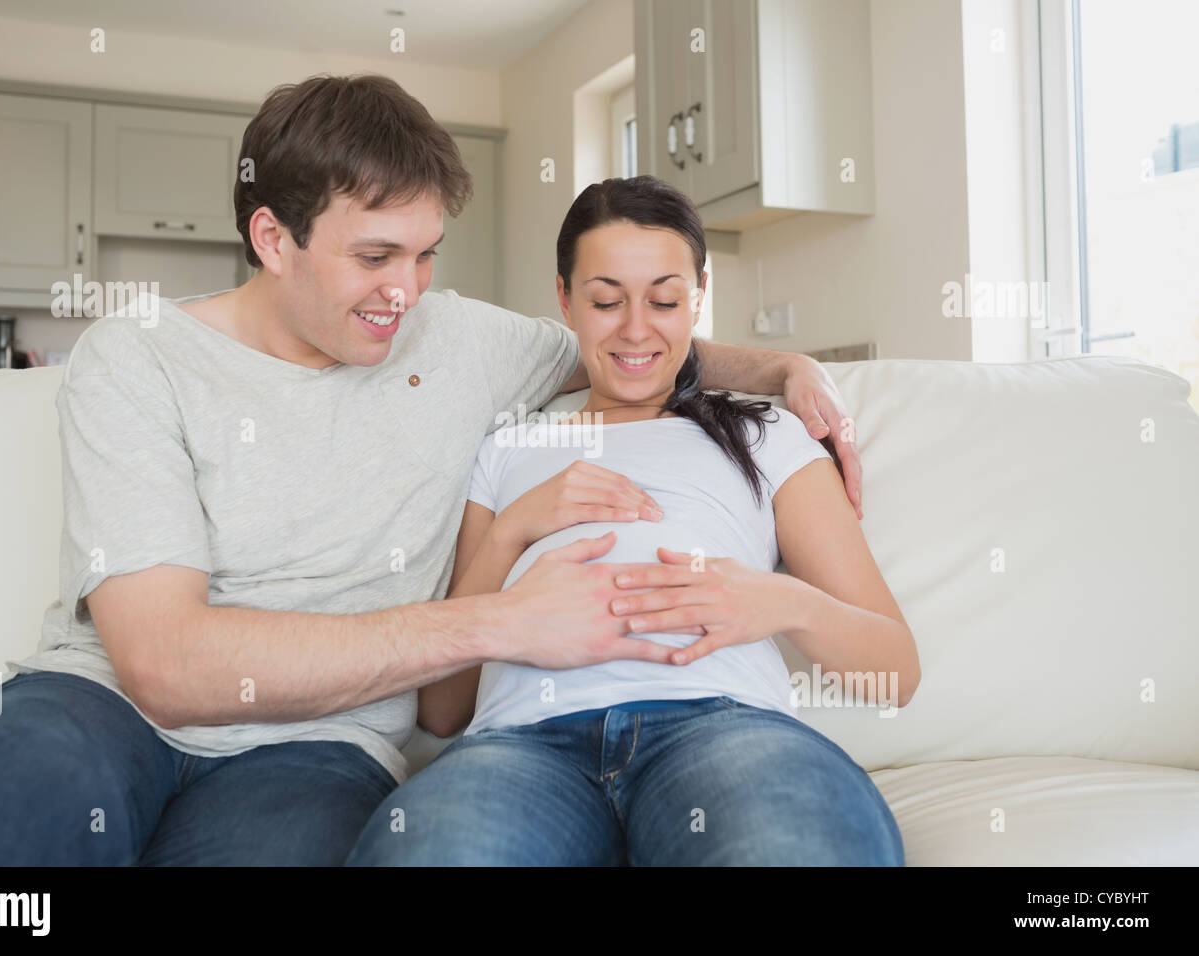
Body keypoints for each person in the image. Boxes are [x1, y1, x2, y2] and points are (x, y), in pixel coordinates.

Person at [0, 74, 864, 866]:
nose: (404, 292)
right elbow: (164, 664)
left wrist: (783, 367)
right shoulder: (137, 356)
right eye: (373, 256)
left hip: (321, 747)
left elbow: (632, 344)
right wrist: (495, 621)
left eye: (425, 255)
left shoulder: (459, 340)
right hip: (98, 704)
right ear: (273, 238)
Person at [345, 175, 917, 866]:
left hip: (720, 730)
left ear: (698, 295)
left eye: (666, 300)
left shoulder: (767, 434)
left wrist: (783, 601)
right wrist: (511, 531)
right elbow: (442, 711)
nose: (637, 329)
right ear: (565, 300)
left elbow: (897, 669)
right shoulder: (507, 448)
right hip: (525, 745)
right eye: (606, 301)